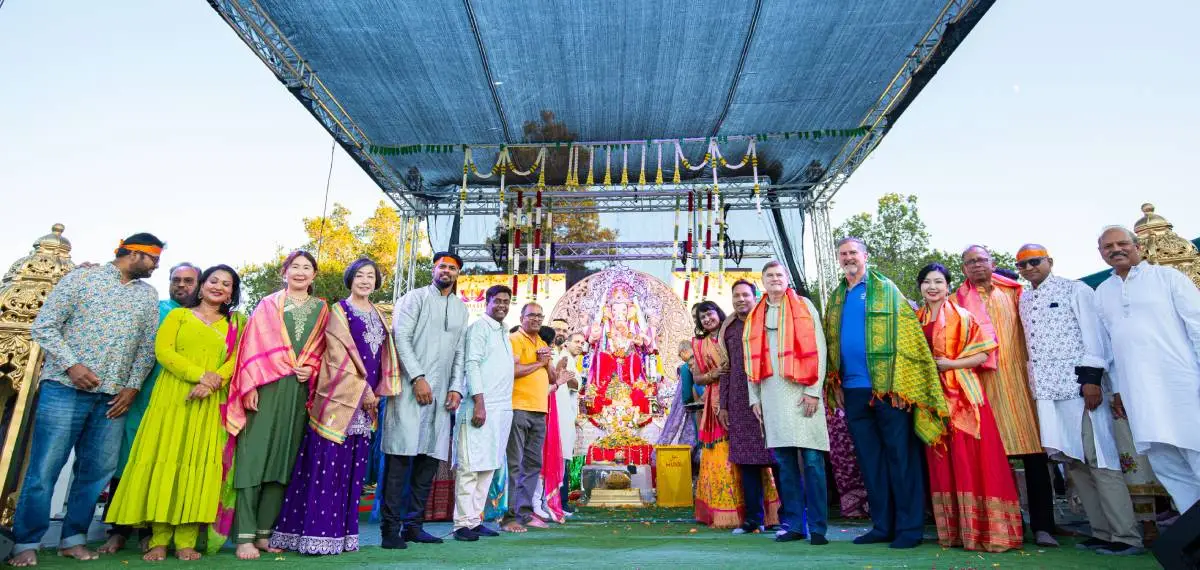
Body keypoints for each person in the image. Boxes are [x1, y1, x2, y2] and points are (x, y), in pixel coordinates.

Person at [9, 233, 163, 567]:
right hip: (65, 388)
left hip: (113, 398)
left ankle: (73, 538)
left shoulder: (148, 296)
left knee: (96, 472)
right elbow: (45, 326)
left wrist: (132, 386)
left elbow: (147, 348)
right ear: (134, 254)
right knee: (45, 467)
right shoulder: (82, 278)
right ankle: (27, 540)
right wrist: (71, 365)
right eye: (153, 258)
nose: (156, 266)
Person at [105, 265, 246, 560]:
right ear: (203, 284)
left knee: (199, 466)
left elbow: (237, 360)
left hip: (209, 403)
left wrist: (212, 382)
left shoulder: (236, 323)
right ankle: (158, 540)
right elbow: (164, 352)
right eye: (213, 281)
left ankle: (186, 541)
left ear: (232, 292)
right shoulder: (178, 316)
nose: (219, 286)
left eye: (227, 284)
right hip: (172, 399)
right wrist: (200, 376)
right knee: (166, 461)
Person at [1016, 244, 1145, 556]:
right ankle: (1102, 532)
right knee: (1073, 463)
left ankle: (1127, 537)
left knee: (1100, 459)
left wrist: (1092, 381)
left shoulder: (1075, 290)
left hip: (1080, 390)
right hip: (1046, 393)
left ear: (1050, 261)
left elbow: (1095, 337)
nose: (1030, 268)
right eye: (1023, 265)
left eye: (1035, 261)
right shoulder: (1024, 297)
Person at [270, 258, 402, 555]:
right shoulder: (338, 311)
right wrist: (364, 389)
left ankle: (342, 538)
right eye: (360, 275)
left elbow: (383, 356)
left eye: (371, 276)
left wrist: (379, 390)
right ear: (350, 278)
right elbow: (336, 358)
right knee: (327, 466)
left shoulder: (380, 314)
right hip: (340, 401)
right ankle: (316, 536)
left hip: (366, 405)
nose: (366, 281)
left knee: (353, 470)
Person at [824, 237, 948, 550]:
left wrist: (902, 383)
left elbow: (909, 337)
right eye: (843, 254)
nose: (849, 258)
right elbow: (830, 341)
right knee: (870, 461)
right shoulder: (837, 296)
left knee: (900, 459)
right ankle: (882, 526)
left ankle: (910, 529)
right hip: (853, 391)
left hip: (889, 390)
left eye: (854, 252)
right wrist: (834, 381)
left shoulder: (886, 288)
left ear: (865, 256)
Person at [224, 250, 329, 560]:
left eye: (306, 267)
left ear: (314, 275)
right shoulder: (268, 305)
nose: (300, 272)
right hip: (265, 388)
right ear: (285, 272)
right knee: (253, 459)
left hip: (300, 393)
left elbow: (326, 350)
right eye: (294, 266)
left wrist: (311, 367)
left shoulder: (323, 310)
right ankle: (243, 536)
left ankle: (263, 534)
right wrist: (250, 386)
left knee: (282, 463)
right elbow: (251, 346)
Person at [916, 263, 1023, 552]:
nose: (932, 287)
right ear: (920, 288)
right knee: (943, 460)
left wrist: (951, 364)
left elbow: (983, 353)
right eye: (926, 282)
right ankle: (956, 532)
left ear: (948, 286)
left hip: (965, 397)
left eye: (938, 281)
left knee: (972, 459)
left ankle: (987, 532)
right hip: (932, 399)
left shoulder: (963, 317)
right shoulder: (915, 319)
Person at [956, 245, 1059, 546]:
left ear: (992, 262)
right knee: (993, 461)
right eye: (970, 262)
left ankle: (1044, 527)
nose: (976, 266)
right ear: (963, 269)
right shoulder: (957, 301)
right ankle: (1007, 524)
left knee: (1035, 456)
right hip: (983, 388)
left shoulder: (1015, 293)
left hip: (1022, 385)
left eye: (981, 260)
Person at [1094, 226, 1200, 513]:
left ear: (1137, 245)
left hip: (1182, 383)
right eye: (1108, 247)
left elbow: (1197, 325)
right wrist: (1117, 390)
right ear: (1101, 253)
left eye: (1121, 243)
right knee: (1167, 466)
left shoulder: (1168, 278)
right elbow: (1109, 348)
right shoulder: (1103, 292)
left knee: (1196, 452)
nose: (1116, 250)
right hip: (1138, 392)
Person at [101, 261, 201, 555]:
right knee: (128, 460)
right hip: (140, 396)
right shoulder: (156, 308)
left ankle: (148, 530)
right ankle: (117, 529)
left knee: (161, 461)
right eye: (176, 280)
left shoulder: (201, 317)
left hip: (178, 400)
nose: (181, 285)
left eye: (189, 281)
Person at [380, 252, 468, 548]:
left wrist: (456, 388)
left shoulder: (460, 309)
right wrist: (417, 377)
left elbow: (459, 352)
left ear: (458, 274)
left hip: (442, 396)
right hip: (408, 389)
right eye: (442, 266)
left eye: (452, 268)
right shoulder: (414, 298)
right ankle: (390, 530)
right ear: (434, 269)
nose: (446, 271)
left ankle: (413, 526)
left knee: (427, 462)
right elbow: (399, 337)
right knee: (400, 460)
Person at [743, 263, 829, 544]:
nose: (775, 280)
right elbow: (749, 361)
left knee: (813, 462)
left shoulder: (804, 306)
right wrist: (754, 398)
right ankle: (793, 525)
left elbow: (820, 347)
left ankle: (817, 527)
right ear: (763, 282)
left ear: (786, 279)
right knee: (785, 464)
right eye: (769, 276)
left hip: (804, 394)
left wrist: (814, 391)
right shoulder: (757, 314)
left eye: (779, 275)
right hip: (772, 395)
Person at [719, 280, 782, 534]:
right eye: (736, 296)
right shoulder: (729, 328)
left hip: (771, 397)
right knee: (746, 463)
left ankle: (789, 519)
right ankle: (753, 520)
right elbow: (726, 369)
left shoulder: (767, 319)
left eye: (746, 294)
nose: (741, 299)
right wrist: (723, 405)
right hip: (739, 402)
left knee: (780, 461)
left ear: (755, 296)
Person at [452, 285, 515, 542]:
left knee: (489, 465)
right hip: (480, 406)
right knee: (470, 466)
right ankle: (461, 524)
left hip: (502, 409)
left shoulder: (503, 331)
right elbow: (471, 364)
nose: (502, 305)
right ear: (487, 302)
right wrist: (479, 401)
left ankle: (475, 519)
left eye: (506, 301)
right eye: (497, 301)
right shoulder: (479, 328)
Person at [689, 300, 743, 529]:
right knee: (720, 453)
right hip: (715, 400)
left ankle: (752, 510)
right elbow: (698, 378)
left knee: (743, 449)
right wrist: (715, 373)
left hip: (740, 394)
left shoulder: (733, 332)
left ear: (718, 313)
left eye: (709, 314)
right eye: (702, 317)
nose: (707, 319)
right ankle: (721, 510)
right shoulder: (699, 344)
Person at [502, 303, 554, 532]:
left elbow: (552, 378)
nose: (536, 319)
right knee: (514, 463)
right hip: (518, 407)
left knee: (533, 463)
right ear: (521, 317)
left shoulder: (542, 343)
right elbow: (511, 372)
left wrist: (548, 362)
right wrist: (539, 363)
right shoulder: (513, 339)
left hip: (539, 409)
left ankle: (524, 513)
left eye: (539, 316)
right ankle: (508, 516)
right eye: (531, 315)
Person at [551, 332, 586, 513]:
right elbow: (573, 384)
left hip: (567, 415)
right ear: (567, 343)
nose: (580, 345)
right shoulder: (564, 357)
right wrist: (566, 376)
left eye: (582, 342)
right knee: (560, 458)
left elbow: (574, 385)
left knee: (563, 457)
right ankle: (559, 503)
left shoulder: (570, 360)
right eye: (577, 342)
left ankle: (560, 503)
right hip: (561, 416)